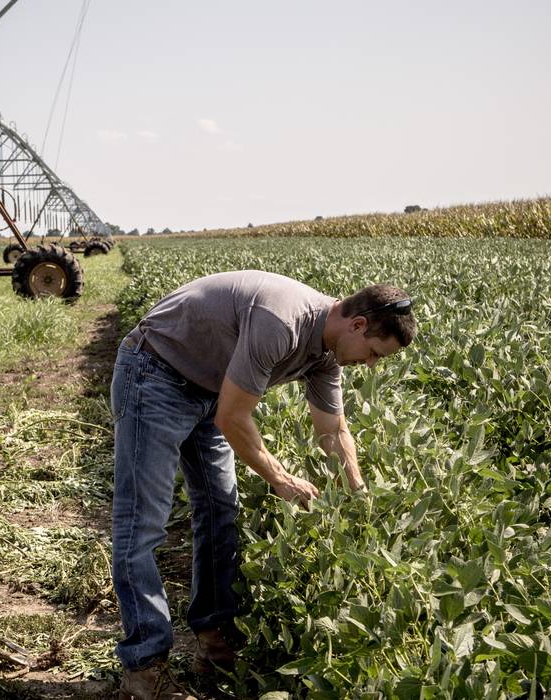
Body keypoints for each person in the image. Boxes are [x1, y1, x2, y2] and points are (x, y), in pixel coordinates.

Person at [111, 270, 416, 700]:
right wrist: (280, 478)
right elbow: (233, 418)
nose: (368, 365)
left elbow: (333, 431)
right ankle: (144, 668)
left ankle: (215, 640)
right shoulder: (283, 321)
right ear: (358, 325)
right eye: (372, 354)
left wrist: (359, 493)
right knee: (142, 522)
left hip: (210, 390)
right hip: (155, 373)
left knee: (221, 509)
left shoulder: (328, 354)